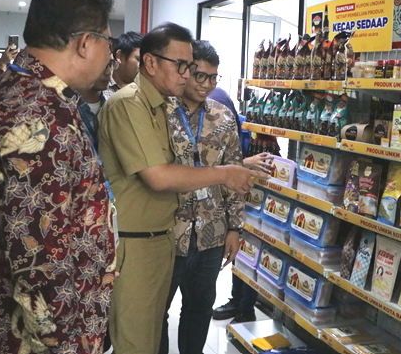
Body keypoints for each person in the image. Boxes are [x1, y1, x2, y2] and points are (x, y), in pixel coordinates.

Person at [0, 0, 117, 354]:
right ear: (85, 43)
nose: (110, 56)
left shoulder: (28, 90)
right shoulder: (40, 119)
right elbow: (40, 264)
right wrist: (66, 344)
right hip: (45, 341)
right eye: (108, 43)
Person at [99, 23, 268, 354]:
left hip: (195, 233)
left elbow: (229, 169)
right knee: (143, 330)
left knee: (190, 312)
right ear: (151, 63)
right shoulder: (141, 106)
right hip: (150, 237)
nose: (195, 79)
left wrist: (234, 225)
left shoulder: (208, 114)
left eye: (208, 76)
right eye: (186, 68)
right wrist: (224, 173)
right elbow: (159, 177)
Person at [158, 40, 247, 354]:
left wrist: (235, 228)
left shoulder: (223, 117)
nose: (207, 84)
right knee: (157, 312)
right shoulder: (162, 113)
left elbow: (235, 175)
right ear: (185, 71)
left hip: (211, 233)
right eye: (200, 76)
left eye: (213, 77)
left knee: (199, 310)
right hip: (169, 232)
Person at [209, 88, 273, 324]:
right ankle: (238, 300)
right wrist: (244, 163)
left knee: (248, 248)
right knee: (238, 251)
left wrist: (244, 164)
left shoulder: (226, 114)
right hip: (221, 196)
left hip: (245, 195)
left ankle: (246, 307)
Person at [103, 31, 143, 98]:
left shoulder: (144, 91)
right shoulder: (102, 86)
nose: (144, 66)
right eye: (139, 59)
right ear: (120, 56)